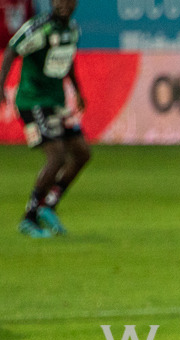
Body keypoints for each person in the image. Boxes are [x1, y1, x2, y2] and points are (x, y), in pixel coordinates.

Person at [0, 0, 89, 238]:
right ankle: (29, 218)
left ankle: (48, 206)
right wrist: (1, 86)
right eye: (58, 1)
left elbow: (67, 60)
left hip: (56, 101)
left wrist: (78, 90)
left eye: (67, 1)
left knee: (82, 153)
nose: (62, 5)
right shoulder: (38, 27)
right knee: (57, 156)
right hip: (33, 100)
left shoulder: (72, 29)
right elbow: (12, 49)